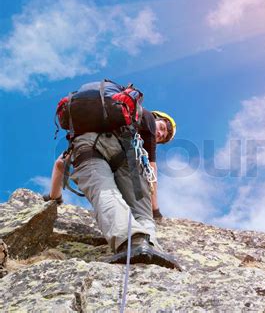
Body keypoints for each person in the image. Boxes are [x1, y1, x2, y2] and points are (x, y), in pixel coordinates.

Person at [44, 109, 178, 268]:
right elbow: (151, 172)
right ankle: (149, 246)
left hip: (88, 148)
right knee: (142, 213)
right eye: (162, 128)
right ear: (157, 117)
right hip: (128, 156)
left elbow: (60, 164)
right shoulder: (146, 118)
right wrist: (154, 210)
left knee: (106, 193)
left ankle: (132, 242)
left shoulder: (105, 118)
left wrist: (54, 198)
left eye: (163, 137)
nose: (160, 134)